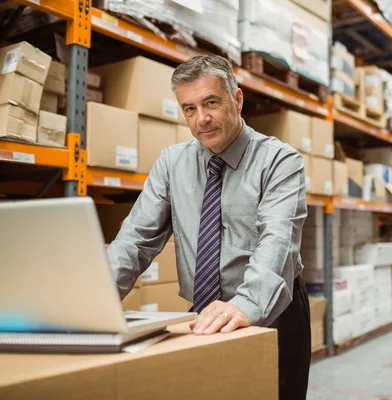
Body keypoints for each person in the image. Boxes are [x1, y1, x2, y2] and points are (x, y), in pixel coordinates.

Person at [106, 55, 311, 398]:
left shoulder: (280, 161)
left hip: (272, 309)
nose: (202, 119)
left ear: (237, 99)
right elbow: (134, 241)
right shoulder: (172, 164)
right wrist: (98, 300)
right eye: (189, 108)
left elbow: (278, 242)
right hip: (203, 315)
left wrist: (244, 306)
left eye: (211, 103)